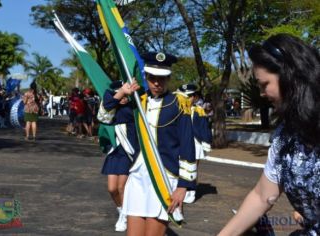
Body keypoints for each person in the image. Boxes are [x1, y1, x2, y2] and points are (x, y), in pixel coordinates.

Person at [218, 34, 320, 235]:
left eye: (265, 85)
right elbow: (262, 196)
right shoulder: (285, 136)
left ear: (290, 76)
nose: (262, 94)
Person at [121, 52, 196, 236]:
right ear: (145, 76)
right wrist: (121, 92)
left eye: (162, 78)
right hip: (138, 179)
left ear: (169, 78)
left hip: (163, 178)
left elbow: (187, 146)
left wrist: (183, 186)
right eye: (152, 77)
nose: (157, 83)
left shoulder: (179, 104)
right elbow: (104, 116)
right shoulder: (137, 102)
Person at [97, 80, 140, 232]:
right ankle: (121, 209)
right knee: (111, 188)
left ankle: (126, 216)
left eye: (125, 93)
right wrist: (119, 93)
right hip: (115, 152)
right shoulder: (110, 109)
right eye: (119, 93)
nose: (122, 97)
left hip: (129, 153)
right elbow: (104, 110)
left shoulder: (133, 108)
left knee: (122, 188)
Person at [176, 84, 212, 204]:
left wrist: (206, 142)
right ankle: (180, 190)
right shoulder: (177, 108)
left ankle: (191, 192)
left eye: (191, 96)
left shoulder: (199, 110)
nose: (189, 98)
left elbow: (204, 128)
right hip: (180, 143)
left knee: (193, 168)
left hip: (195, 143)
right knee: (179, 167)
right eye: (187, 96)